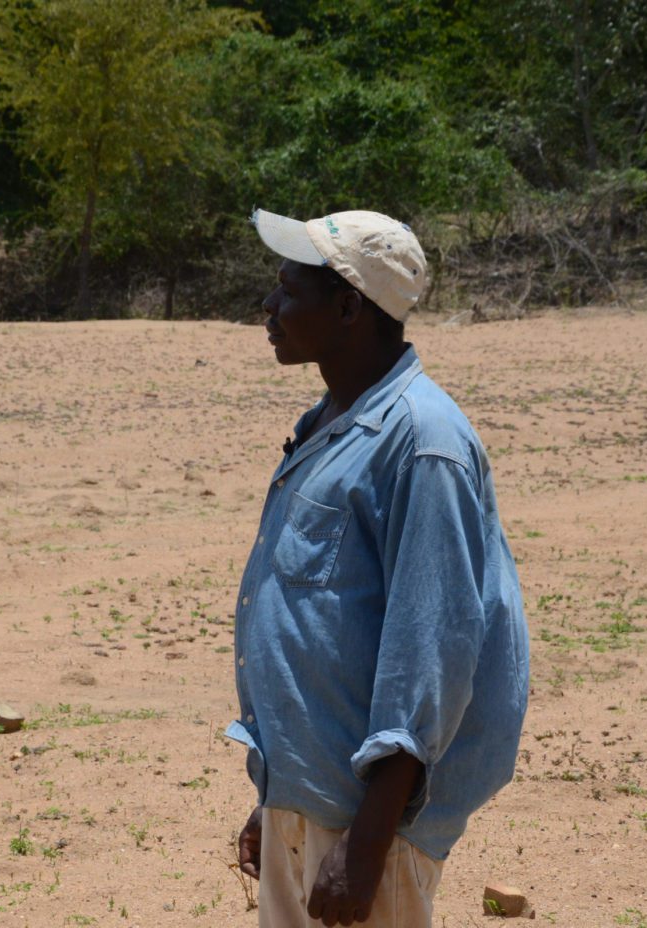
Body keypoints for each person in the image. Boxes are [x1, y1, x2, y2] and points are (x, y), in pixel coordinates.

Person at [226, 209, 530, 927]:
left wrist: (365, 846)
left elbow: (428, 655)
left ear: (348, 307)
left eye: (288, 291)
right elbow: (327, 630)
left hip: (371, 826)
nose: (269, 308)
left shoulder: (424, 444)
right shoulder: (330, 421)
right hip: (312, 801)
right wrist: (280, 801)